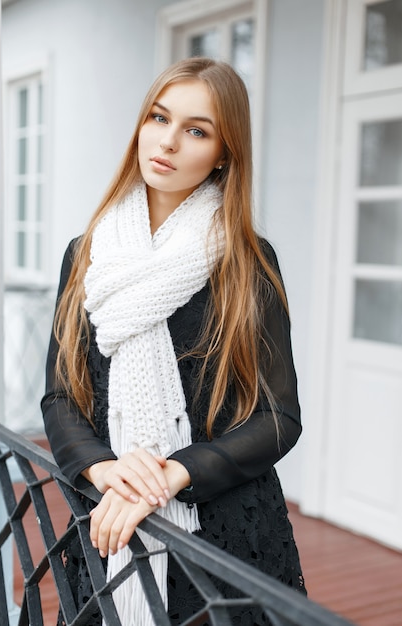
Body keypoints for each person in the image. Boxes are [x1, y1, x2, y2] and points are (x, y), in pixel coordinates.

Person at [42, 56, 306, 626]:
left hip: (222, 536)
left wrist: (170, 475)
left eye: (196, 130)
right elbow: (61, 397)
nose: (167, 142)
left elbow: (278, 417)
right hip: (108, 522)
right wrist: (105, 472)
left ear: (223, 153)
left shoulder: (246, 264)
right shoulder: (87, 254)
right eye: (158, 118)